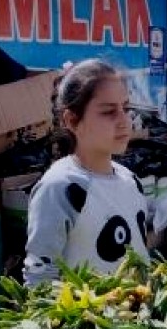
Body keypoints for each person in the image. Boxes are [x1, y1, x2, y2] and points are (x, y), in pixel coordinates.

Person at [23, 59, 150, 286]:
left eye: (126, 108)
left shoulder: (131, 181)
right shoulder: (60, 187)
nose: (124, 121)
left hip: (132, 319)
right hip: (87, 320)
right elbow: (40, 277)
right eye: (109, 111)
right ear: (72, 120)